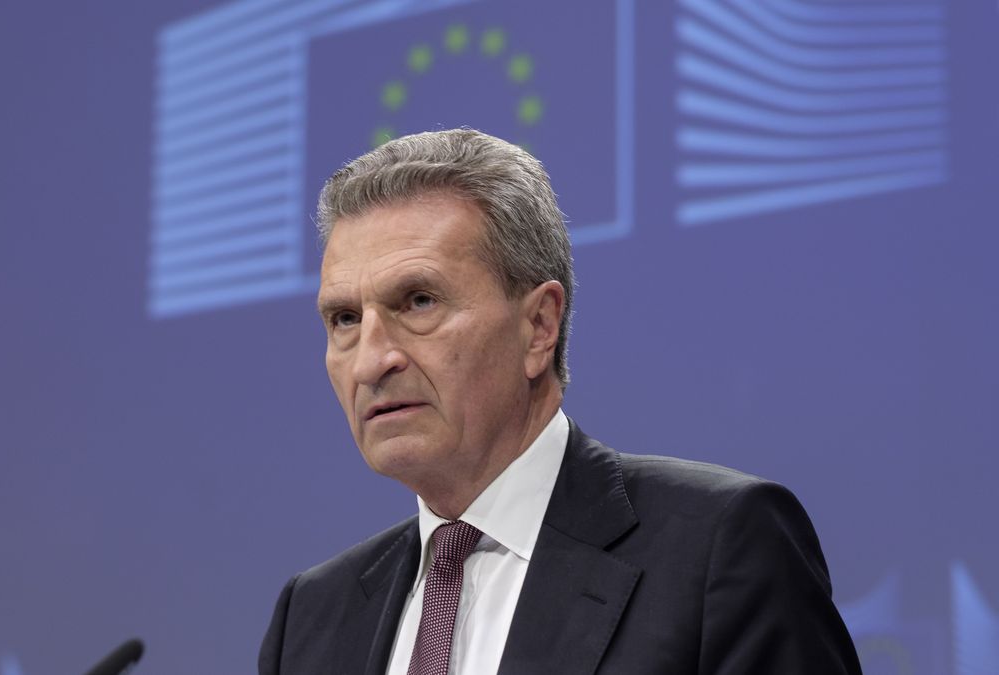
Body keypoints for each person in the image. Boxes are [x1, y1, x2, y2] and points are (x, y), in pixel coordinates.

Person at [256, 129, 862, 674]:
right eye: (343, 319)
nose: (370, 361)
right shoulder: (310, 617)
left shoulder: (717, 548)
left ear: (539, 326)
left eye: (419, 302)